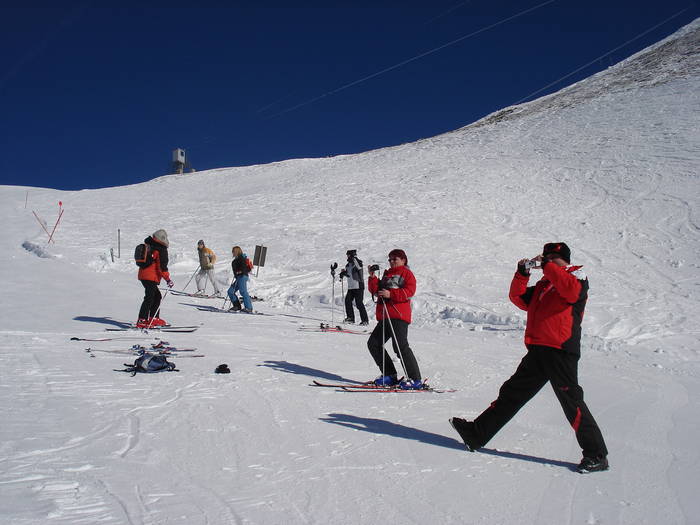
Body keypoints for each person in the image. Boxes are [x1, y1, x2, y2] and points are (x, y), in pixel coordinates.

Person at [450, 242, 609, 474]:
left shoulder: (576, 276)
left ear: (565, 260)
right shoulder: (546, 284)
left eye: (554, 257)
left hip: (560, 350)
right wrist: (521, 274)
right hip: (539, 349)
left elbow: (571, 292)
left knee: (571, 402)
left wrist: (548, 267)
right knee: (511, 393)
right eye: (547, 257)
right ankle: (476, 434)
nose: (550, 260)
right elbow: (519, 298)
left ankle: (597, 455)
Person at [366, 249, 423, 390]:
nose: (391, 262)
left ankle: (415, 379)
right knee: (373, 343)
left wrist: (391, 294)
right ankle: (390, 375)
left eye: (395, 259)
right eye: (390, 259)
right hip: (385, 316)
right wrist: (372, 277)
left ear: (403, 260)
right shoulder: (386, 274)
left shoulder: (406, 273)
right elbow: (375, 291)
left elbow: (409, 291)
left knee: (400, 346)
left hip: (398, 315)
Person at [136, 229, 173, 328]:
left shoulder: (149, 245)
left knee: (156, 296)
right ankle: (142, 320)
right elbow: (162, 267)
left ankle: (153, 318)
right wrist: (168, 279)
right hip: (151, 277)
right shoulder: (160, 249)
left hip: (143, 275)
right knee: (150, 297)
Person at [339, 249, 369, 325]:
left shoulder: (358, 263)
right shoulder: (348, 265)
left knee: (359, 303)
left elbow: (359, 267)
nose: (347, 257)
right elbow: (349, 274)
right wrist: (343, 273)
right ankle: (351, 318)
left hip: (358, 286)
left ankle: (365, 320)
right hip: (351, 287)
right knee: (347, 301)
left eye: (348, 255)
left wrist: (354, 258)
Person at [227, 246, 254, 313]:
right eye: (233, 251)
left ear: (237, 252)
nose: (233, 252)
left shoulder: (242, 259)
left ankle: (248, 307)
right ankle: (237, 306)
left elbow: (246, 268)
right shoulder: (235, 260)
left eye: (234, 251)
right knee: (230, 291)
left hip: (242, 276)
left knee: (243, 291)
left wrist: (240, 271)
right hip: (238, 277)